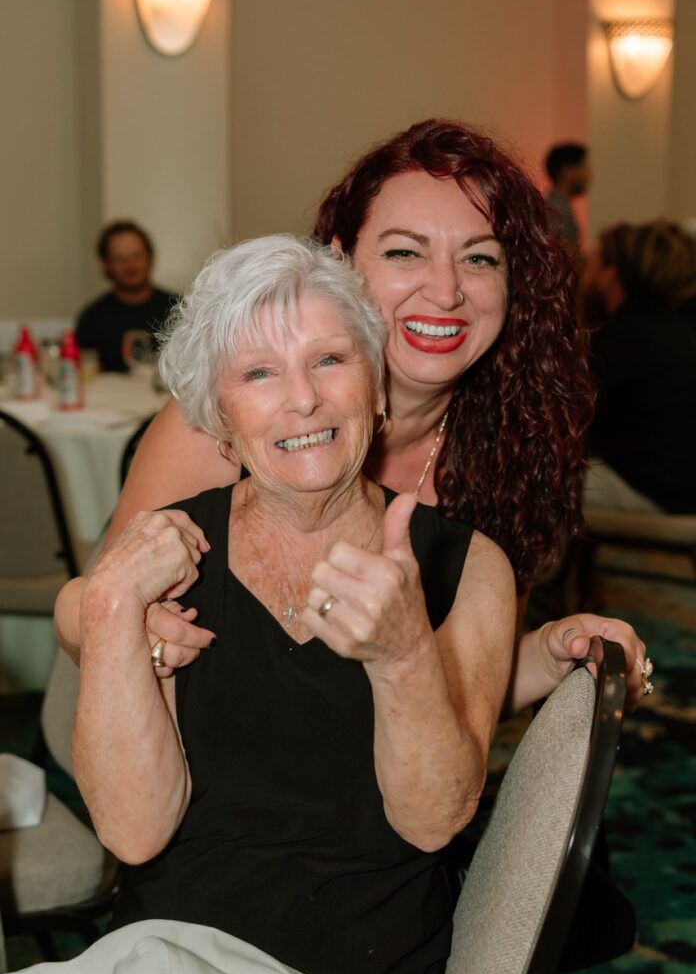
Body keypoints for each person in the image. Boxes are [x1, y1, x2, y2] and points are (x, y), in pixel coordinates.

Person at [56, 119, 647, 712]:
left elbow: (459, 694)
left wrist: (547, 652)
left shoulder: (516, 451)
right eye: (404, 252)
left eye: (479, 259)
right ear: (340, 261)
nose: (445, 291)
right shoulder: (221, 427)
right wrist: (147, 648)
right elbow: (98, 620)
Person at [69, 235, 516, 974]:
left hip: (358, 973)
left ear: (376, 387)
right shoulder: (168, 557)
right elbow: (132, 831)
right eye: (259, 373)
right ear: (219, 419)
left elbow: (434, 821)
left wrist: (405, 653)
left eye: (330, 360)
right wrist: (112, 609)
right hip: (171, 956)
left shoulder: (469, 567)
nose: (302, 398)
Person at [584, 219, 696, 514]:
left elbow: (570, 414)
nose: (584, 268)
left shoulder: (622, 336)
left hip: (654, 492)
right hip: (681, 488)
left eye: (593, 260)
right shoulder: (679, 329)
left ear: (612, 274)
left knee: (524, 485)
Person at [75, 220, 176, 372]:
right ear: (106, 265)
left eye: (137, 256)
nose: (130, 265)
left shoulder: (178, 310)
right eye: (120, 259)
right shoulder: (92, 318)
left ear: (149, 258)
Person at [544, 142, 590, 251]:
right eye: (584, 167)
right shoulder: (557, 209)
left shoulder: (558, 205)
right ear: (567, 171)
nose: (588, 175)